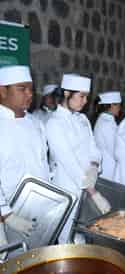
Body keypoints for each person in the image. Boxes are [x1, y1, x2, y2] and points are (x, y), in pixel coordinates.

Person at [46, 73, 110, 243]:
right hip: (67, 187)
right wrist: (93, 193)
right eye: (81, 96)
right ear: (67, 93)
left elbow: (94, 148)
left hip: (88, 182)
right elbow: (68, 162)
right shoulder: (54, 123)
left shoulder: (82, 119)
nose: (85, 101)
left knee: (85, 234)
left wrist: (95, 166)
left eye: (87, 97)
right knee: (68, 237)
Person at [0, 65, 50, 254]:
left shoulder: (36, 124)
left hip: (39, 210)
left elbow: (43, 165)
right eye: (21, 89)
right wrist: (7, 215)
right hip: (8, 213)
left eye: (31, 88)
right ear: (3, 91)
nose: (29, 94)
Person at [93, 91, 122, 182]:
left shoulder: (105, 120)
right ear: (111, 106)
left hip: (107, 167)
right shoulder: (107, 123)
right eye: (118, 105)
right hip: (109, 169)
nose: (120, 108)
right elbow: (114, 149)